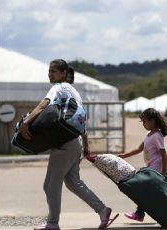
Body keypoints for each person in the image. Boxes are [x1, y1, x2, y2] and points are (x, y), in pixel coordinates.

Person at [20, 59, 117, 230]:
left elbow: (43, 106)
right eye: (49, 71)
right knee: (73, 182)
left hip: (64, 143)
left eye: (53, 71)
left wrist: (26, 122)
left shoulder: (57, 88)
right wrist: (85, 145)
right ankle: (102, 210)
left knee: (50, 184)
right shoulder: (74, 92)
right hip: (76, 142)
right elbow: (80, 119)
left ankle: (52, 223)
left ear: (64, 73)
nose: (49, 74)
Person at [118, 108, 167, 223]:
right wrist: (124, 155)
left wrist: (164, 170)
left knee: (144, 190)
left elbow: (163, 152)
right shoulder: (148, 135)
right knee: (159, 192)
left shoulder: (157, 135)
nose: (143, 124)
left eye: (145, 121)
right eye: (142, 122)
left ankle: (139, 213)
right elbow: (139, 149)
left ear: (152, 120)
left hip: (156, 168)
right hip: (151, 167)